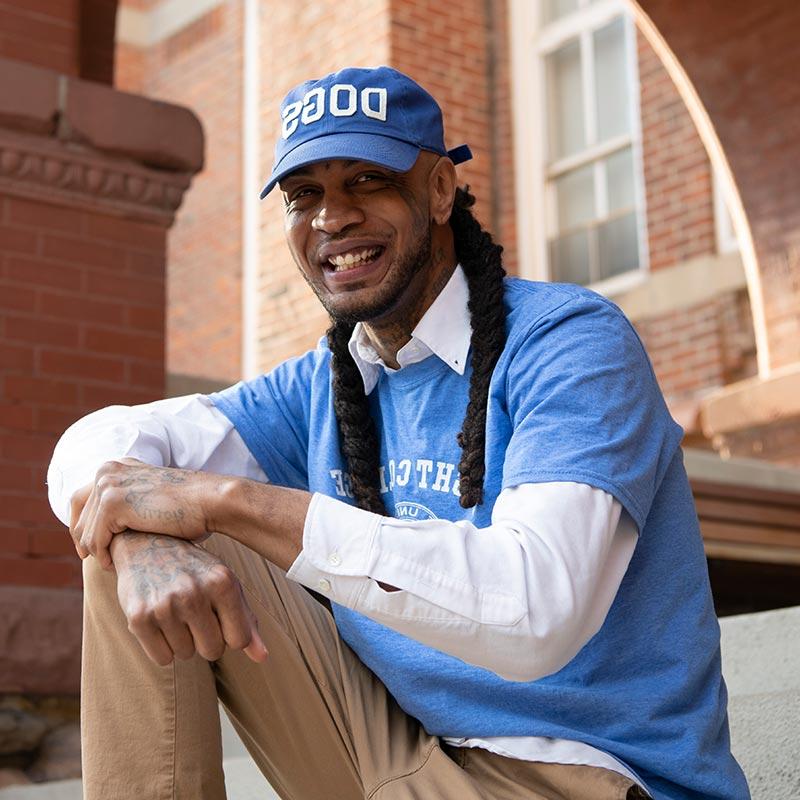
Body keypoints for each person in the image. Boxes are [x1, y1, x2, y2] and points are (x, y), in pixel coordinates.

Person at [48, 66, 749, 800]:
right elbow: (94, 441)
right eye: (304, 194)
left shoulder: (568, 342)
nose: (332, 217)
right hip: (395, 755)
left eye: (367, 181)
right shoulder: (323, 384)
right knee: (128, 517)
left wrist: (230, 501)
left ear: (440, 189)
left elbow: (536, 611)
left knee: (168, 505)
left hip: (581, 776)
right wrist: (142, 534)